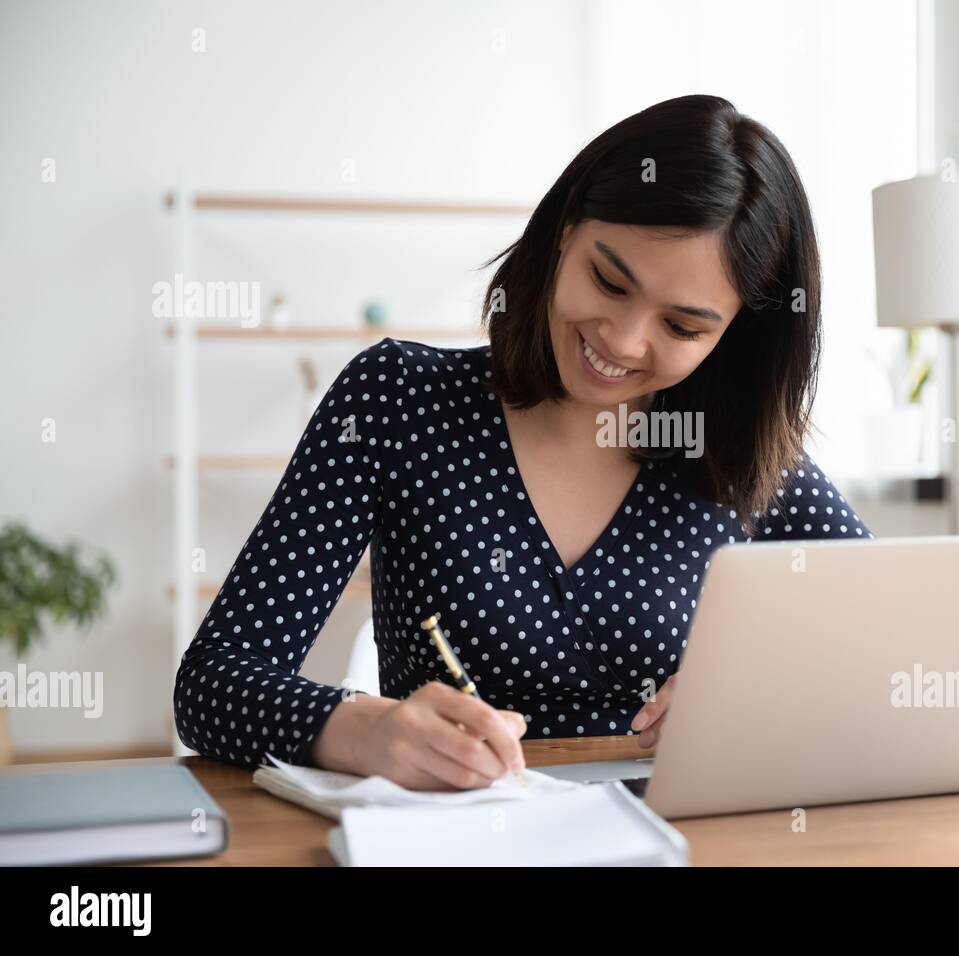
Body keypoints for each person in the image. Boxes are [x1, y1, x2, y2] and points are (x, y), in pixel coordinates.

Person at [173, 94, 872, 791]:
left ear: (733, 336)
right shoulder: (397, 400)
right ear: (565, 228)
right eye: (608, 280)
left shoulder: (741, 456)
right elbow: (211, 685)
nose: (623, 341)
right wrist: (370, 730)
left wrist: (762, 693)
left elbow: (896, 648)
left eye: (683, 327)